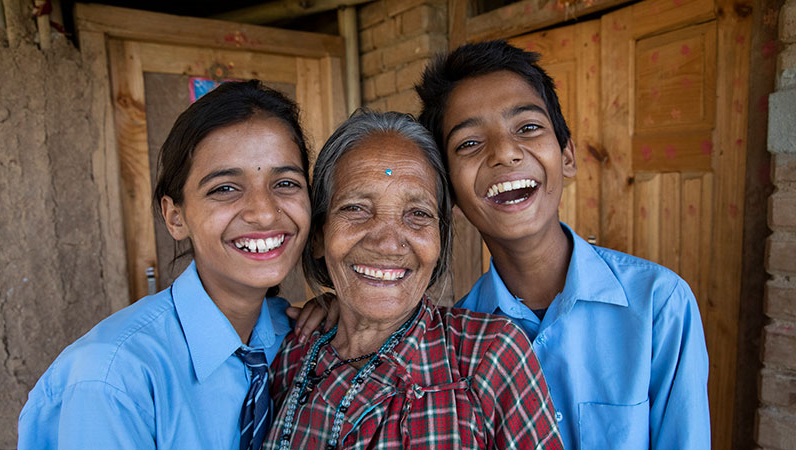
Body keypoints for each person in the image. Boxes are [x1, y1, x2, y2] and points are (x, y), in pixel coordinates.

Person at [415, 40, 710, 449]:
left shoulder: (659, 304)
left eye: (528, 128)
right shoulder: (455, 342)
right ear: (450, 194)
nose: (505, 153)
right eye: (469, 143)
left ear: (567, 156)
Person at [18, 80, 329, 450]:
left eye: (285, 183)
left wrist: (355, 314)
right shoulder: (111, 378)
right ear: (175, 216)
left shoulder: (297, 338)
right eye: (225, 188)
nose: (264, 212)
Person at [261, 110, 563, 450]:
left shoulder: (488, 356)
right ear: (319, 235)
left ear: (439, 239)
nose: (388, 243)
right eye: (356, 208)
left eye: (417, 214)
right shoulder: (291, 354)